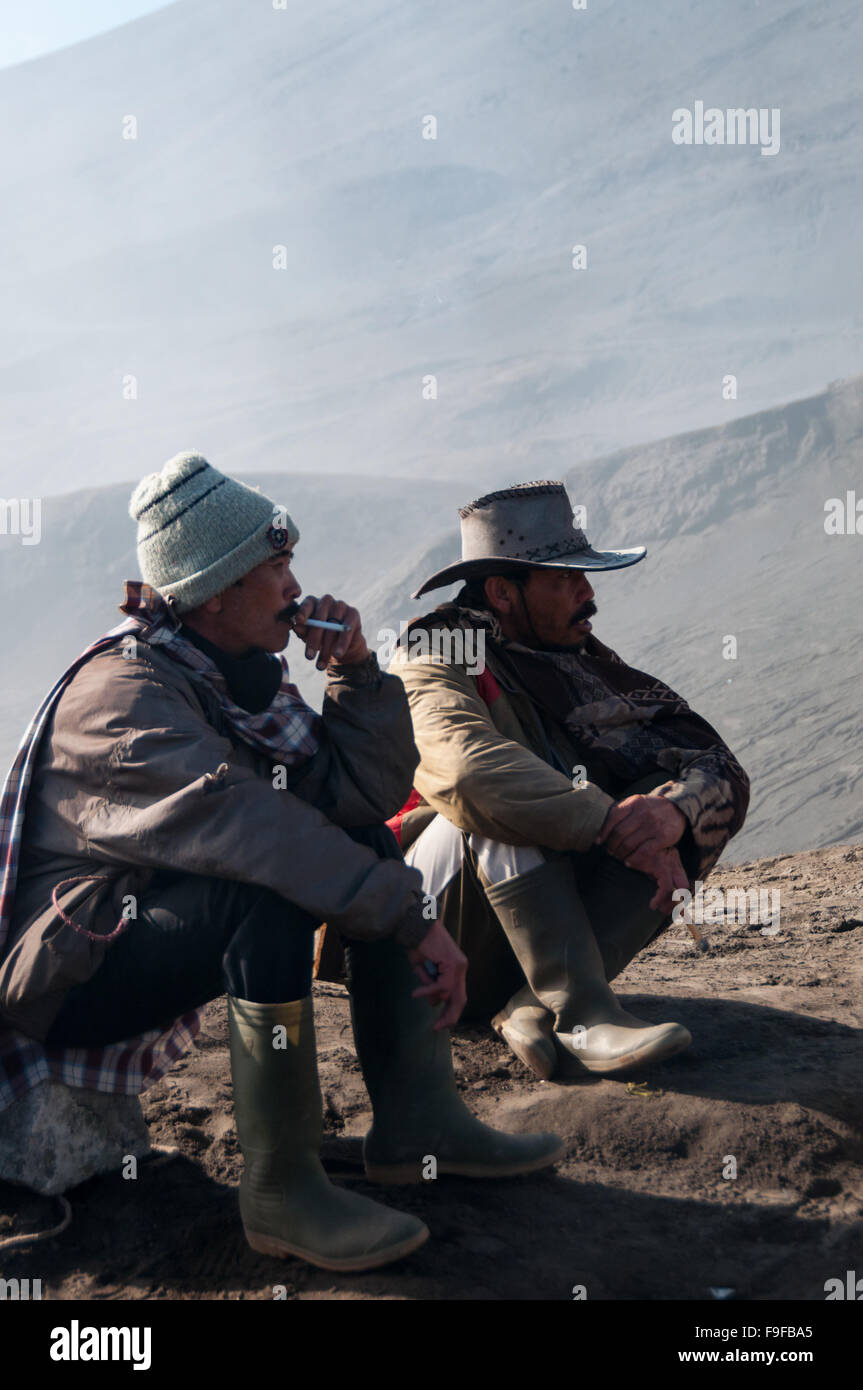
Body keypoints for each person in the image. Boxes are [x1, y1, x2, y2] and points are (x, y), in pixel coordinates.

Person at [0, 453, 563, 1273]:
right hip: (66, 980)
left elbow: (358, 799)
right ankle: (281, 1189)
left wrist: (356, 674)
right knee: (266, 892)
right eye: (276, 566)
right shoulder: (123, 701)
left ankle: (419, 1124)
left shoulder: (231, 673)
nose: (295, 587)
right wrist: (413, 918)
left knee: (355, 844)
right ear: (218, 589)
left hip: (144, 928)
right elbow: (250, 830)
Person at [387, 481, 750, 1081]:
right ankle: (582, 1012)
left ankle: (532, 1006)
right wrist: (609, 823)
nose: (588, 594)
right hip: (428, 939)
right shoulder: (435, 652)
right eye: (563, 579)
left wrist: (671, 815)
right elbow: (466, 771)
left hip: (517, 941)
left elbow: (718, 767)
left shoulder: (576, 666)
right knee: (495, 797)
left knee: (672, 802)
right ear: (503, 592)